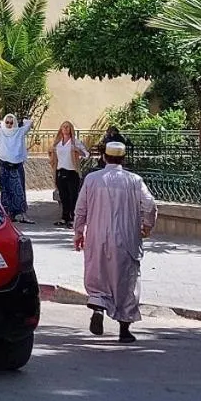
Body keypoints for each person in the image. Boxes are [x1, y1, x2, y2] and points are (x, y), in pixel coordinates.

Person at [74, 140, 158, 343]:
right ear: (124, 158)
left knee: (98, 275)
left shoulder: (92, 179)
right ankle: (124, 330)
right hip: (127, 238)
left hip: (97, 237)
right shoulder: (134, 180)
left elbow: (80, 209)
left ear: (104, 157)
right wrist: (147, 226)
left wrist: (78, 232)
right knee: (126, 281)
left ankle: (99, 307)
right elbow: (151, 205)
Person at [0, 112, 33, 223]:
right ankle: (8, 214)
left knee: (18, 190)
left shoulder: (19, 131)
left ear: (15, 123)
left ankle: (20, 213)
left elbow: (30, 123)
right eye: (7, 122)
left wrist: (23, 122)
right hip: (4, 165)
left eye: (11, 122)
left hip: (16, 165)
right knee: (5, 189)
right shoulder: (0, 132)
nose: (9, 124)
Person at [48, 121, 90, 228]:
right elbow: (52, 156)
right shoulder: (58, 143)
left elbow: (86, 154)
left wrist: (78, 151)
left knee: (73, 196)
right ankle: (64, 217)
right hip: (60, 170)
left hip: (72, 172)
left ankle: (73, 218)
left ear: (71, 129)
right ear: (61, 129)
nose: (66, 129)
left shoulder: (75, 142)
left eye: (68, 127)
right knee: (63, 196)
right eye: (64, 127)